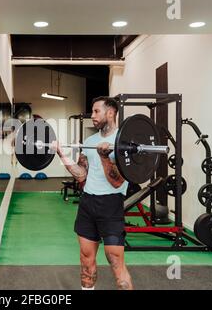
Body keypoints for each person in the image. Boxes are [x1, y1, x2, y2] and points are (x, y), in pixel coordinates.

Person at [52, 96, 134, 290]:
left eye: (97, 111)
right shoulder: (90, 140)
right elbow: (82, 175)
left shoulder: (124, 142)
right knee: (86, 261)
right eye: (92, 111)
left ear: (111, 113)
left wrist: (105, 157)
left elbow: (117, 183)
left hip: (111, 205)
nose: (92, 115)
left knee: (115, 261)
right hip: (88, 203)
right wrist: (61, 154)